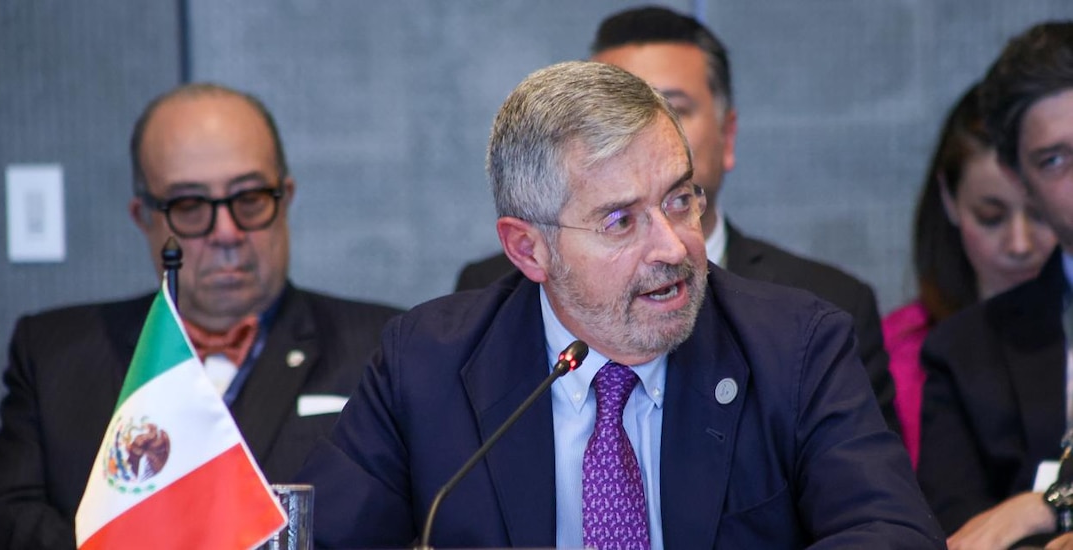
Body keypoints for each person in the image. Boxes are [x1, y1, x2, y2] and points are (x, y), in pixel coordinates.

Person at [297, 60, 943, 549]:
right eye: (620, 221)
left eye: (679, 200)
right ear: (529, 250)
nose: (672, 247)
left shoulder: (796, 347)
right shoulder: (428, 365)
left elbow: (888, 533)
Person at [0, 83, 402, 550]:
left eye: (251, 197)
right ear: (144, 217)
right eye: (190, 206)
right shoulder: (56, 353)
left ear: (286, 197)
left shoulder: (382, 346)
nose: (226, 232)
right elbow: (3, 522)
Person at [455, 6, 900, 431]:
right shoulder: (488, 299)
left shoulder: (819, 313)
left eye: (669, 108)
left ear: (727, 135)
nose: (640, 133)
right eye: (611, 117)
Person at [917, 21, 1073, 550]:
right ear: (1019, 175)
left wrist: (1049, 505)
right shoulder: (964, 355)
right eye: (1055, 160)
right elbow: (967, 536)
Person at [883, 83, 1056, 468]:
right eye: (991, 217)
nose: (1020, 244)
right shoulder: (894, 355)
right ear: (949, 199)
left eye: (1041, 214)